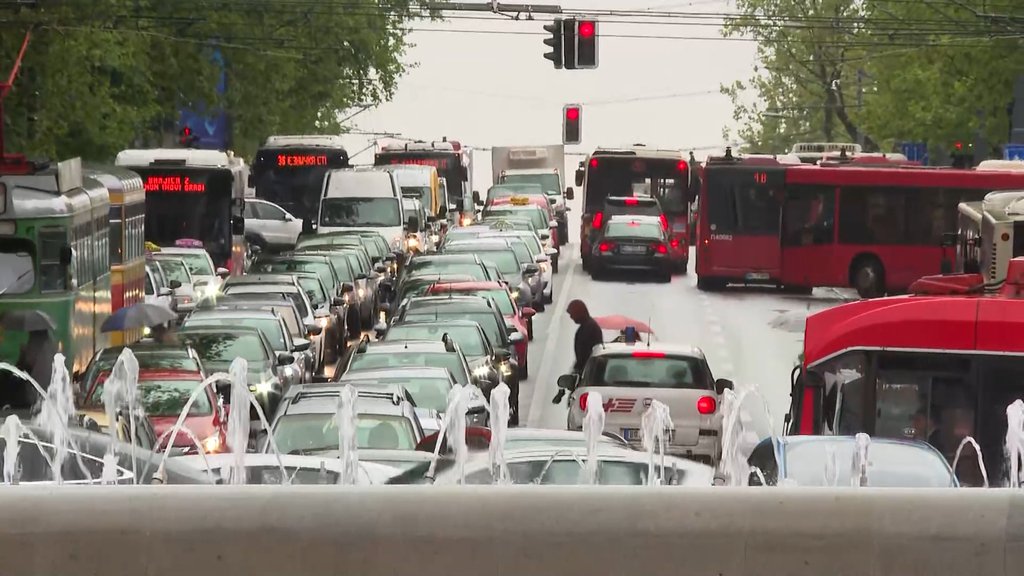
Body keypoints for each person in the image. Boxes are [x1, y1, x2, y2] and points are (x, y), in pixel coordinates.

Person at [552, 300, 603, 404]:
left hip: (588, 375)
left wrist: (578, 369)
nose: (571, 317)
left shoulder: (589, 329)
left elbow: (585, 356)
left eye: (572, 314)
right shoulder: (587, 327)